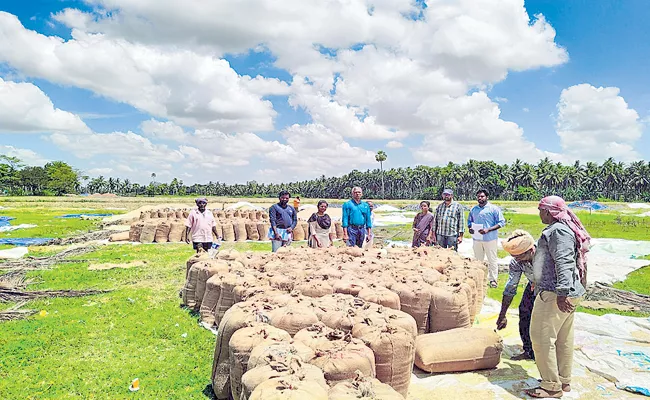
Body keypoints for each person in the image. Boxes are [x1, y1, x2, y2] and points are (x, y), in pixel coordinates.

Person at [525, 196, 590, 399]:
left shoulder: (557, 231)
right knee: (563, 338)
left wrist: (562, 292)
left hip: (555, 293)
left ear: (549, 212)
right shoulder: (561, 229)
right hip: (563, 291)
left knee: (541, 337)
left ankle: (551, 386)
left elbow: (564, 261)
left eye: (540, 210)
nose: (539, 214)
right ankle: (563, 381)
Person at [496, 230, 537, 361]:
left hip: (551, 288)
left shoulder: (546, 256)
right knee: (524, 312)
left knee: (544, 321)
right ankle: (529, 350)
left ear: (530, 251)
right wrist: (502, 315)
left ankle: (546, 354)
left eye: (519, 256)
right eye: (514, 256)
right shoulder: (516, 262)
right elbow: (510, 287)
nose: (516, 259)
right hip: (533, 285)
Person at [468, 189, 506, 288]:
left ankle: (493, 280)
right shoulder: (473, 209)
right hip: (477, 239)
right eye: (478, 196)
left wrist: (488, 229)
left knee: (492, 260)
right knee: (477, 260)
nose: (480, 198)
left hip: (490, 239)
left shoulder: (493, 209)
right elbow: (469, 222)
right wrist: (470, 229)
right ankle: (478, 279)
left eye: (482, 196)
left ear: (487, 197)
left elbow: (501, 222)